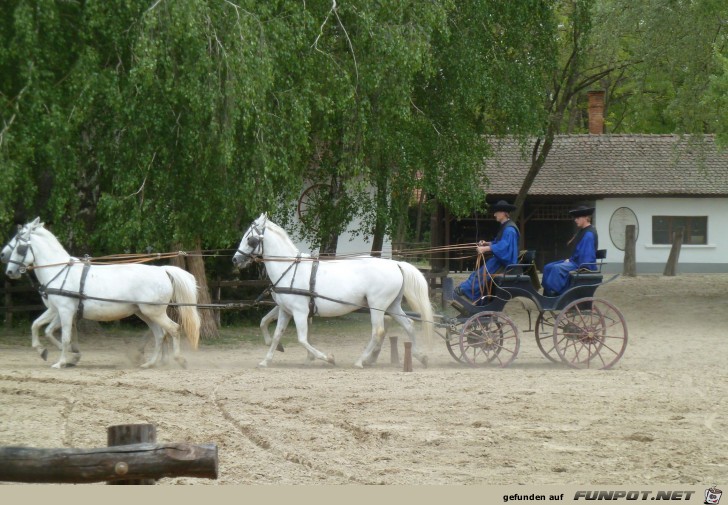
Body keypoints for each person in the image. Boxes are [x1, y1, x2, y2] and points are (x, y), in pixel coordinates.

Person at [455, 200, 520, 302]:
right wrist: (487, 243)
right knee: (478, 273)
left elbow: (503, 248)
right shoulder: (506, 227)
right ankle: (471, 293)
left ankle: (465, 290)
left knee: (481, 274)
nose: (494, 214)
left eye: (496, 212)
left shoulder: (510, 230)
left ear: (503, 213)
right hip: (500, 260)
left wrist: (485, 249)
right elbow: (499, 243)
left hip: (504, 263)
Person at [542, 205, 598, 297]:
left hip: (582, 265)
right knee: (548, 267)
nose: (575, 220)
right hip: (575, 261)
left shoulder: (589, 234)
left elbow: (586, 256)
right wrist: (570, 259)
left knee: (557, 268)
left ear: (585, 218)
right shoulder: (582, 231)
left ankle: (556, 293)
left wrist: (573, 261)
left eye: (578, 218)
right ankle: (547, 294)